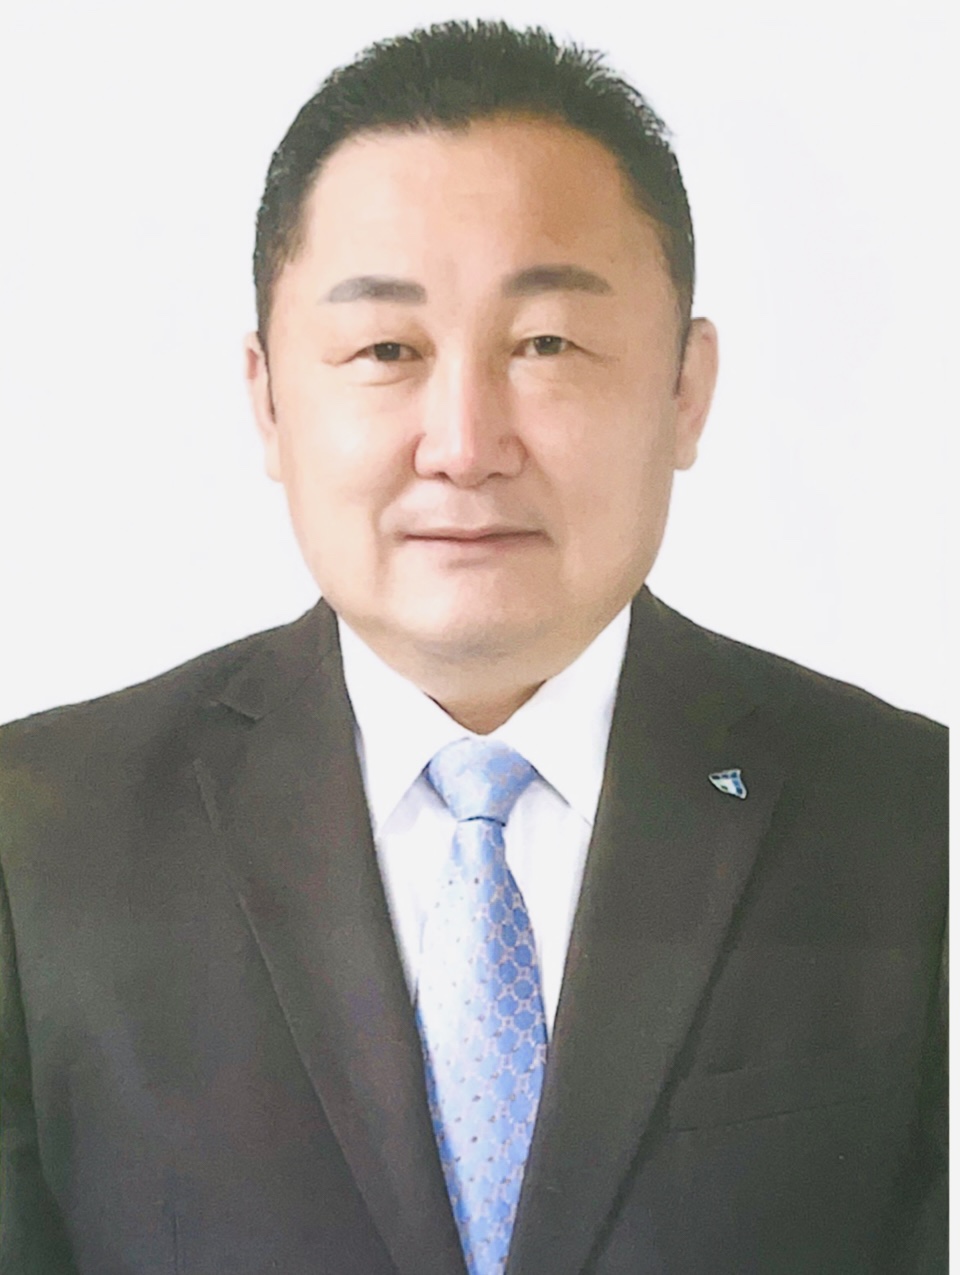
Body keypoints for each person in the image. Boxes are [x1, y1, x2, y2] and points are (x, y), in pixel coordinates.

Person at [0, 18, 946, 1275]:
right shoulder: (39, 843)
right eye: (386, 351)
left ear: (685, 389)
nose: (463, 443)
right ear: (269, 399)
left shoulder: (910, 823)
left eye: (545, 344)